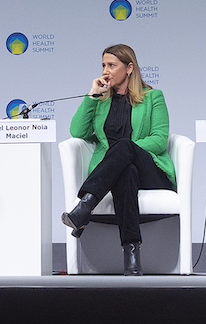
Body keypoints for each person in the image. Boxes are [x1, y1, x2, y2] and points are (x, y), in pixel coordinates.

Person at [60, 44, 176, 275]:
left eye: (112, 65)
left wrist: (128, 148)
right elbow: (77, 131)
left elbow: (159, 140)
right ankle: (131, 254)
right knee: (126, 173)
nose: (106, 71)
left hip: (151, 170)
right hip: (120, 174)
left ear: (129, 68)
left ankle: (86, 206)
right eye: (103, 65)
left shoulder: (153, 97)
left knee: (124, 148)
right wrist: (92, 96)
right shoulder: (101, 101)